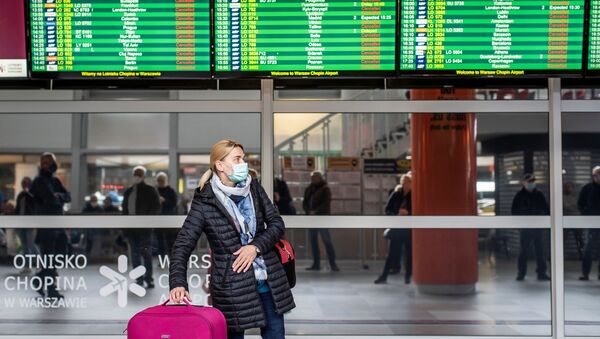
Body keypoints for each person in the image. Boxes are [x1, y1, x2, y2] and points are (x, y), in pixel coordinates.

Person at [169, 139, 295, 339]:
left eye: (243, 158)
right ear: (220, 165)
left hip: (268, 281)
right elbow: (183, 244)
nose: (243, 163)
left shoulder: (253, 188)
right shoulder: (205, 201)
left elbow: (276, 224)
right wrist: (178, 282)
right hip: (232, 288)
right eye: (237, 159)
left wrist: (255, 247)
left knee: (275, 335)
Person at [30, 152, 71, 299]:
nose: (48, 165)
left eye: (51, 162)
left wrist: (58, 196)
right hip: (46, 227)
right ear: (42, 164)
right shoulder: (38, 181)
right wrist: (59, 197)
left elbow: (68, 196)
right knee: (48, 261)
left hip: (58, 225)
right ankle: (52, 291)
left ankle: (39, 278)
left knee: (62, 254)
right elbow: (49, 200)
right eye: (45, 162)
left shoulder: (55, 181)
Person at [122, 165, 161, 288]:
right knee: (134, 254)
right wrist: (124, 228)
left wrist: (147, 220)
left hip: (145, 229)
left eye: (139, 174)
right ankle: (139, 279)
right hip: (131, 229)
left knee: (146, 253)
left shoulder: (150, 190)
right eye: (135, 174)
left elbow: (156, 206)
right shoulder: (129, 192)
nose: (136, 177)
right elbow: (124, 210)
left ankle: (148, 278)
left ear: (143, 176)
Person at [375, 172, 413, 284]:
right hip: (397, 228)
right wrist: (397, 214)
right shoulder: (396, 194)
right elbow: (387, 209)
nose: (406, 185)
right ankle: (384, 276)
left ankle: (407, 276)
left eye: (408, 183)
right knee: (392, 253)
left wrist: (408, 213)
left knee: (408, 253)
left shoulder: (414, 196)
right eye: (404, 183)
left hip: (408, 228)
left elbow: (418, 211)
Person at [512, 173, 550, 281]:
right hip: (525, 228)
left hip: (537, 228)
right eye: (529, 181)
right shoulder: (519, 195)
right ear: (524, 183)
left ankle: (541, 273)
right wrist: (519, 225)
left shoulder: (539, 195)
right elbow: (514, 211)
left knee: (540, 251)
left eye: (533, 181)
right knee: (524, 251)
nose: (531, 183)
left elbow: (546, 209)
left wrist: (545, 223)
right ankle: (521, 273)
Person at [303, 171, 339, 272]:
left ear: (320, 178)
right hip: (311, 220)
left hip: (322, 219)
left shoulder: (325, 189)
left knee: (327, 241)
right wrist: (308, 211)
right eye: (312, 177)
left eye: (315, 177)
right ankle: (316, 264)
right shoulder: (309, 189)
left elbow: (326, 203)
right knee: (313, 241)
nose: (313, 179)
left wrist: (316, 211)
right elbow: (305, 202)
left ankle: (333, 263)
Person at [577, 166, 600, 281]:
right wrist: (586, 215)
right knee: (588, 249)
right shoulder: (587, 188)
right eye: (597, 175)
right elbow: (580, 203)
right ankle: (585, 273)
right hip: (591, 223)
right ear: (593, 176)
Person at [15, 177, 38, 274]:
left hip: (29, 222)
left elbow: (34, 208)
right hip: (20, 222)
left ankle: (40, 263)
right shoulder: (20, 195)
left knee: (31, 244)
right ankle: (27, 266)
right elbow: (17, 208)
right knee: (24, 246)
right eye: (24, 183)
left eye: (27, 183)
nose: (25, 185)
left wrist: (28, 194)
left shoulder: (33, 195)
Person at [155, 172, 179, 257]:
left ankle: (171, 257)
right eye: (159, 180)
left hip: (169, 219)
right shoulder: (155, 191)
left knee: (170, 241)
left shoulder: (171, 191)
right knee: (160, 241)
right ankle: (162, 258)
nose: (160, 182)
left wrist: (164, 201)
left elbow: (174, 203)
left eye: (162, 180)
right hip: (158, 220)